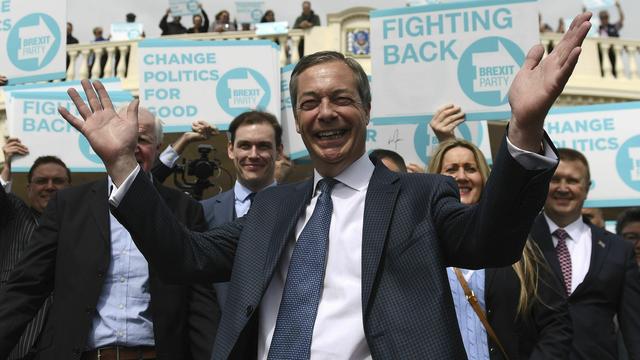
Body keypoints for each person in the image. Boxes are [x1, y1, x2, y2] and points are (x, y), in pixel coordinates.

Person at [58, 13, 592, 358]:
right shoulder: (272, 208)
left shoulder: (419, 196)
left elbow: (492, 242)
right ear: (296, 118)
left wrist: (522, 129)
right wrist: (125, 164)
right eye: (309, 103)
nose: (326, 113)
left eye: (341, 99)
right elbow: (184, 257)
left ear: (366, 110)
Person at [0, 107, 219, 360]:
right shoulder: (69, 206)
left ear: (159, 148)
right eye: (123, 137)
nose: (131, 146)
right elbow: (27, 287)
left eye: (142, 140)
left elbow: (200, 303)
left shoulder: (185, 210)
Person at [428, 139, 572, 359]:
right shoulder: (417, 246)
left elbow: (555, 323)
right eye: (450, 169)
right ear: (433, 179)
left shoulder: (521, 245)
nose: (462, 177)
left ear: (485, 178)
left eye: (470, 168)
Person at [529, 148, 640, 359]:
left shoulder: (618, 249)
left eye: (572, 181)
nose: (563, 188)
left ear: (587, 189)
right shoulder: (519, 243)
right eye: (555, 179)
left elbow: (634, 328)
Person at [200, 111, 283, 311]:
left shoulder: (304, 208)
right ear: (230, 150)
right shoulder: (204, 212)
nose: (253, 155)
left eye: (263, 146)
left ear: (279, 151)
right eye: (245, 146)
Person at [1, 152, 70, 360]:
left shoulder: (85, 224)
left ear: (71, 188)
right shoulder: (14, 214)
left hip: (65, 343)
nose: (50, 186)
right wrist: (6, 167)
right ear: (29, 189)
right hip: (16, 341)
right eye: (41, 181)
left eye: (58, 181)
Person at [598, 0, 624, 77]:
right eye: (602, 17)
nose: (604, 19)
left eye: (605, 17)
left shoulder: (613, 27)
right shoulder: (598, 29)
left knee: (616, 72)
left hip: (614, 52)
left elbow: (621, 20)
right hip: (603, 53)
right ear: (600, 19)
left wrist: (618, 7)